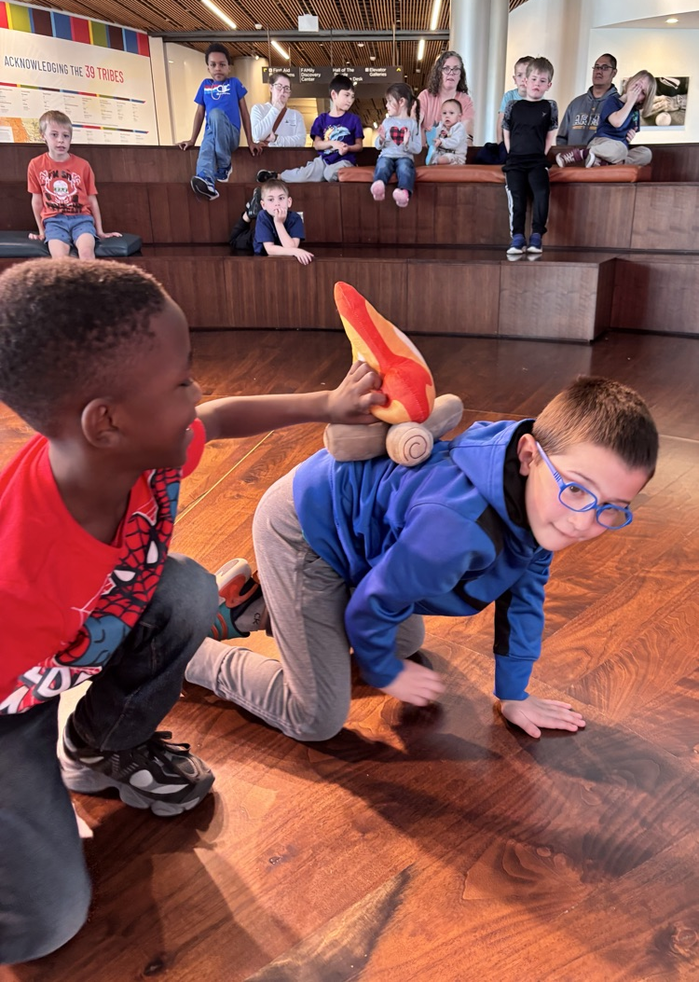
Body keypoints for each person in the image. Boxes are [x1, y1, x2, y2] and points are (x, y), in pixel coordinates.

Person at [0, 258, 383, 964]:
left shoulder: (139, 452)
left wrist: (325, 404)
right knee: (47, 924)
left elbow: (218, 416)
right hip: (7, 710)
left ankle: (97, 748)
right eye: (179, 381)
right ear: (105, 421)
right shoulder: (21, 573)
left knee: (186, 591)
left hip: (75, 646)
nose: (196, 393)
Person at [186, 375, 658, 746]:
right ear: (529, 455)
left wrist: (514, 696)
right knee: (314, 716)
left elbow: (524, 600)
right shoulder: (455, 527)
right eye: (577, 488)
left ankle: (257, 605)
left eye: (610, 508)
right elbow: (372, 607)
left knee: (406, 637)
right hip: (304, 531)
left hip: (355, 538)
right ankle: (184, 649)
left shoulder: (541, 504)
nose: (584, 521)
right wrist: (385, 673)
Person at [27, 110, 121, 259]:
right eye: (54, 134)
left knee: (86, 253)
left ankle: (90, 283)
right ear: (43, 135)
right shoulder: (35, 164)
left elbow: (91, 200)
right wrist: (41, 231)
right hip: (54, 221)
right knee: (60, 258)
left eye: (66, 136)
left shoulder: (83, 165)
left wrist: (100, 230)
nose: (60, 140)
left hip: (81, 219)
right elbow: (37, 201)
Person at [177, 44, 262, 201]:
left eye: (222, 64)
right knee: (206, 145)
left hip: (230, 134)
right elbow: (200, 113)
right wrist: (192, 140)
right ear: (208, 68)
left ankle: (224, 165)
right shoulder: (205, 85)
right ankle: (206, 180)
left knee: (215, 114)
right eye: (213, 65)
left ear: (229, 67)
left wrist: (250, 141)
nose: (218, 68)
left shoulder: (234, 83)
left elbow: (244, 112)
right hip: (212, 133)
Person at [257, 75, 363, 184]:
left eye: (352, 96)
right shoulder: (321, 119)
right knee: (303, 174)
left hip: (345, 161)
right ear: (334, 94)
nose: (350, 100)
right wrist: (333, 144)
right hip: (324, 160)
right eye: (346, 95)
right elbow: (317, 144)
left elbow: (359, 146)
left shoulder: (354, 119)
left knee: (329, 173)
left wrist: (347, 148)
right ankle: (277, 176)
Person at [502, 57, 558, 257]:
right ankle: (517, 236)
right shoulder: (513, 106)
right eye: (534, 79)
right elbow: (506, 131)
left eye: (542, 81)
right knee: (517, 198)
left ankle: (536, 235)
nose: (537, 84)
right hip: (515, 161)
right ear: (525, 80)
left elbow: (551, 134)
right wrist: (512, 153)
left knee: (542, 193)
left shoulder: (550, 106)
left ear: (548, 85)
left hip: (537, 161)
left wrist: (540, 155)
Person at [557, 70, 655, 169]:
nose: (636, 93)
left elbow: (629, 132)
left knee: (646, 153)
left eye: (642, 92)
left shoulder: (635, 112)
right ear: (629, 82)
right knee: (621, 149)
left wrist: (631, 135)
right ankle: (583, 153)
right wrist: (630, 101)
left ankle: (603, 162)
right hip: (601, 143)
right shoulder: (613, 101)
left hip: (617, 150)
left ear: (643, 100)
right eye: (636, 86)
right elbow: (617, 122)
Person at [371, 83, 422, 208]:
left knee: (405, 167)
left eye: (389, 101)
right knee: (382, 164)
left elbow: (418, 148)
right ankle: (379, 185)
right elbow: (378, 146)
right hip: (387, 155)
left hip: (405, 157)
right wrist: (381, 139)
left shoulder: (413, 124)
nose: (386, 105)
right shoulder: (387, 122)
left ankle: (404, 193)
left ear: (401, 101)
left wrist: (407, 143)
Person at [556, 53, 620, 149]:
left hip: (602, 162)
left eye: (604, 68)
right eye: (596, 67)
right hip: (571, 161)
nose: (599, 71)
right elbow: (562, 138)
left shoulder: (619, 105)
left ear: (614, 73)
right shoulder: (575, 104)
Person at [417, 51, 475, 153]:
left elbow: (466, 137)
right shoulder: (425, 96)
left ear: (461, 74)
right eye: (446, 68)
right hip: (426, 157)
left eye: (456, 69)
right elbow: (414, 122)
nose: (451, 72)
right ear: (439, 73)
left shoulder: (465, 100)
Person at [254, 180, 313, 264]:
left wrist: (279, 223)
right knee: (236, 239)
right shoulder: (262, 216)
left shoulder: (295, 218)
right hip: (251, 241)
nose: (277, 203)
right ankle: (248, 213)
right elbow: (270, 250)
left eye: (281, 198)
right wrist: (295, 251)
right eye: (271, 200)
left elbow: (292, 247)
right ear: (263, 205)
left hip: (280, 250)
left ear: (289, 202)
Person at [251, 72, 307, 148]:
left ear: (289, 94)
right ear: (271, 88)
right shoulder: (258, 109)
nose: (282, 91)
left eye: (286, 88)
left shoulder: (296, 115)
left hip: (288, 158)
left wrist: (276, 139)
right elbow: (258, 135)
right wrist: (275, 109)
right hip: (264, 157)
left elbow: (301, 142)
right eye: (279, 86)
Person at [496, 55, 534, 143]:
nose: (523, 79)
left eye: (527, 75)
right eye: (519, 75)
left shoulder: (539, 99)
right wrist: (500, 143)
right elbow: (500, 122)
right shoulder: (509, 96)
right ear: (515, 79)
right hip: (511, 142)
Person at [426, 99, 468, 166]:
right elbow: (435, 137)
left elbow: (455, 142)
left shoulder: (459, 128)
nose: (447, 116)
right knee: (433, 157)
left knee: (441, 160)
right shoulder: (441, 126)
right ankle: (434, 160)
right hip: (441, 153)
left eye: (451, 113)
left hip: (455, 156)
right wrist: (431, 132)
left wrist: (441, 142)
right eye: (444, 113)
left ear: (459, 116)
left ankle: (438, 161)